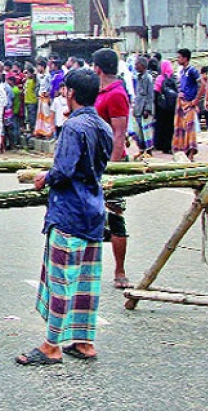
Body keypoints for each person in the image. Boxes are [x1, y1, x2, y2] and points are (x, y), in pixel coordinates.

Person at [16, 68, 113, 366]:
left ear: (71, 93)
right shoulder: (103, 127)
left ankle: (51, 346)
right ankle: (84, 341)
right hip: (94, 210)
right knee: (86, 280)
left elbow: (64, 170)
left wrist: (45, 176)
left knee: (62, 281)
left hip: (70, 211)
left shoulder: (74, 127)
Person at [92, 48, 130, 289]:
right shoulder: (101, 92)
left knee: (115, 216)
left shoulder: (117, 94)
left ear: (98, 68)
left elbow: (119, 134)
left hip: (111, 161)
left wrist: (113, 168)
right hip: (95, 161)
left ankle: (120, 270)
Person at [173, 49, 201, 161]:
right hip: (181, 101)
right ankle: (181, 151)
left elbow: (203, 84)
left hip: (189, 102)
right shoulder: (182, 71)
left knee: (190, 128)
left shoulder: (192, 71)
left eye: (179, 57)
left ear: (185, 58)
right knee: (180, 127)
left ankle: (191, 153)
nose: (177, 59)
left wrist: (196, 100)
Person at [132, 56, 155, 159]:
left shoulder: (148, 78)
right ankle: (141, 150)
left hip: (145, 108)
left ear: (142, 65)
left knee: (147, 131)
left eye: (137, 64)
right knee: (138, 131)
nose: (135, 66)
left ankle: (149, 151)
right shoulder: (138, 77)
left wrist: (147, 109)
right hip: (138, 107)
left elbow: (150, 95)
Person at [153, 60, 176, 154]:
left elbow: (155, 92)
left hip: (161, 106)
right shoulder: (174, 78)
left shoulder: (160, 78)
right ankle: (168, 146)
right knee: (170, 126)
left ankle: (159, 144)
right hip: (171, 106)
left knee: (160, 125)